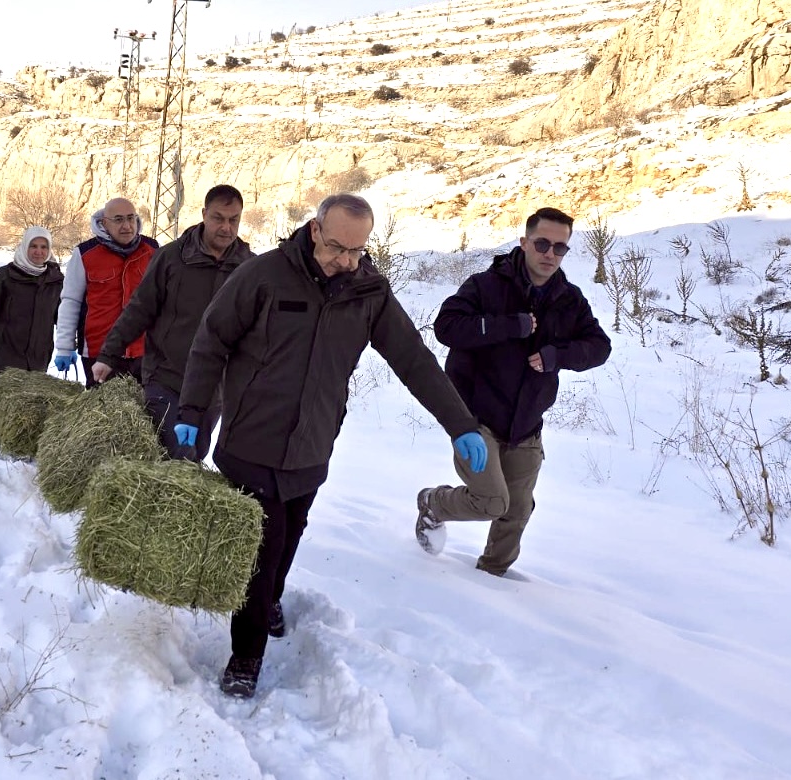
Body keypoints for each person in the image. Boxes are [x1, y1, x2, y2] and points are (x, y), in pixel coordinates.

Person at [176, 193, 487, 698]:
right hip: (251, 440)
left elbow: (413, 360)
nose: (346, 260)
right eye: (338, 247)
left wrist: (460, 423)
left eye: (357, 252)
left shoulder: (368, 292)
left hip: (313, 444)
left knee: (290, 535)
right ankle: (245, 654)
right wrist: (192, 412)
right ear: (315, 229)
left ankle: (272, 597)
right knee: (260, 549)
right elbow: (212, 340)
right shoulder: (264, 276)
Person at [417, 206, 611, 576]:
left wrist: (558, 355)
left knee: (517, 511)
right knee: (492, 502)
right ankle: (432, 503)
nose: (550, 254)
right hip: (475, 420)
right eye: (542, 244)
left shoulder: (568, 299)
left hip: (526, 425)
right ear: (523, 243)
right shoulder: (485, 286)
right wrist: (509, 326)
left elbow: (599, 347)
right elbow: (447, 326)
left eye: (560, 248)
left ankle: (493, 581)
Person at [91, 185, 252, 460]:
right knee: (178, 454)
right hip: (167, 377)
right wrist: (108, 354)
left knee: (197, 453)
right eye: (218, 218)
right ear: (203, 215)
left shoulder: (249, 268)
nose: (226, 227)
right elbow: (139, 309)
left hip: (215, 388)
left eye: (233, 219)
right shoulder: (171, 258)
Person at [53, 197, 159, 387]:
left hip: (144, 351)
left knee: (146, 413)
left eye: (131, 218)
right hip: (98, 352)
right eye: (118, 220)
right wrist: (64, 347)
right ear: (104, 223)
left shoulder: (152, 250)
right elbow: (70, 302)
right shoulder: (85, 254)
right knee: (102, 413)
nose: (127, 226)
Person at [0, 226, 65, 372]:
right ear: (25, 246)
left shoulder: (55, 280)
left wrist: (67, 347)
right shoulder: (5, 275)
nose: (39, 251)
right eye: (33, 246)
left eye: (44, 247)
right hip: (6, 356)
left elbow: (62, 317)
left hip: (38, 357)